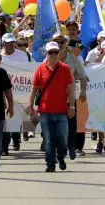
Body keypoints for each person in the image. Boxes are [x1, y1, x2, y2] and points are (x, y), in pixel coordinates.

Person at [29, 41, 75, 172]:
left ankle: (60, 157)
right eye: (51, 52)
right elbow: (33, 89)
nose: (53, 55)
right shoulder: (40, 69)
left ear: (59, 53)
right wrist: (31, 106)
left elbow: (70, 90)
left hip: (61, 111)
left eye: (56, 52)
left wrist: (72, 106)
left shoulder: (65, 68)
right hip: (45, 111)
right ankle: (50, 164)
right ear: (46, 54)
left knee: (62, 138)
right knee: (48, 139)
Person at [58, 34, 88, 159]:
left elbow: (82, 76)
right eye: (57, 42)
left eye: (62, 42)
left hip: (69, 98)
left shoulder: (74, 60)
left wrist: (83, 91)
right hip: (53, 99)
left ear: (66, 44)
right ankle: (59, 148)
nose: (59, 44)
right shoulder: (48, 59)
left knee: (71, 125)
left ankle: (71, 146)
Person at [0, 33, 30, 154]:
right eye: (8, 42)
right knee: (6, 119)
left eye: (12, 42)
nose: (11, 45)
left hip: (20, 91)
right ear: (3, 44)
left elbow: (32, 68)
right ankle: (4, 147)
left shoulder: (24, 55)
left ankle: (16, 139)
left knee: (16, 119)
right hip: (3, 92)